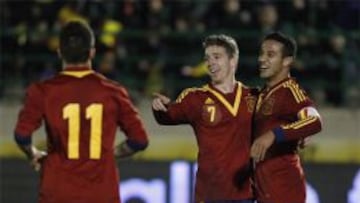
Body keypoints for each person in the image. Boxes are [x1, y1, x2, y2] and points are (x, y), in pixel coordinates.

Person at [14, 21, 149, 203]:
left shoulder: (42, 91)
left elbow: (22, 135)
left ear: (60, 52)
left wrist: (33, 153)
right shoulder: (113, 92)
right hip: (101, 194)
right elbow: (139, 140)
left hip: (58, 193)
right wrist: (111, 154)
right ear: (92, 52)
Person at [152, 34, 256, 203]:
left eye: (217, 57)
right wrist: (160, 108)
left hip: (244, 195)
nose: (211, 62)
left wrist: (302, 130)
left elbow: (281, 118)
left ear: (233, 60)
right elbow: (168, 116)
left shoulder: (253, 97)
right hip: (209, 195)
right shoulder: (195, 97)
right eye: (207, 58)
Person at [250, 32, 323, 203]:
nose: (262, 59)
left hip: (284, 189)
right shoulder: (263, 94)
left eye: (270, 54)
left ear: (287, 61)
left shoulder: (291, 91)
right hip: (265, 189)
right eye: (261, 53)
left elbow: (315, 121)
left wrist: (274, 134)